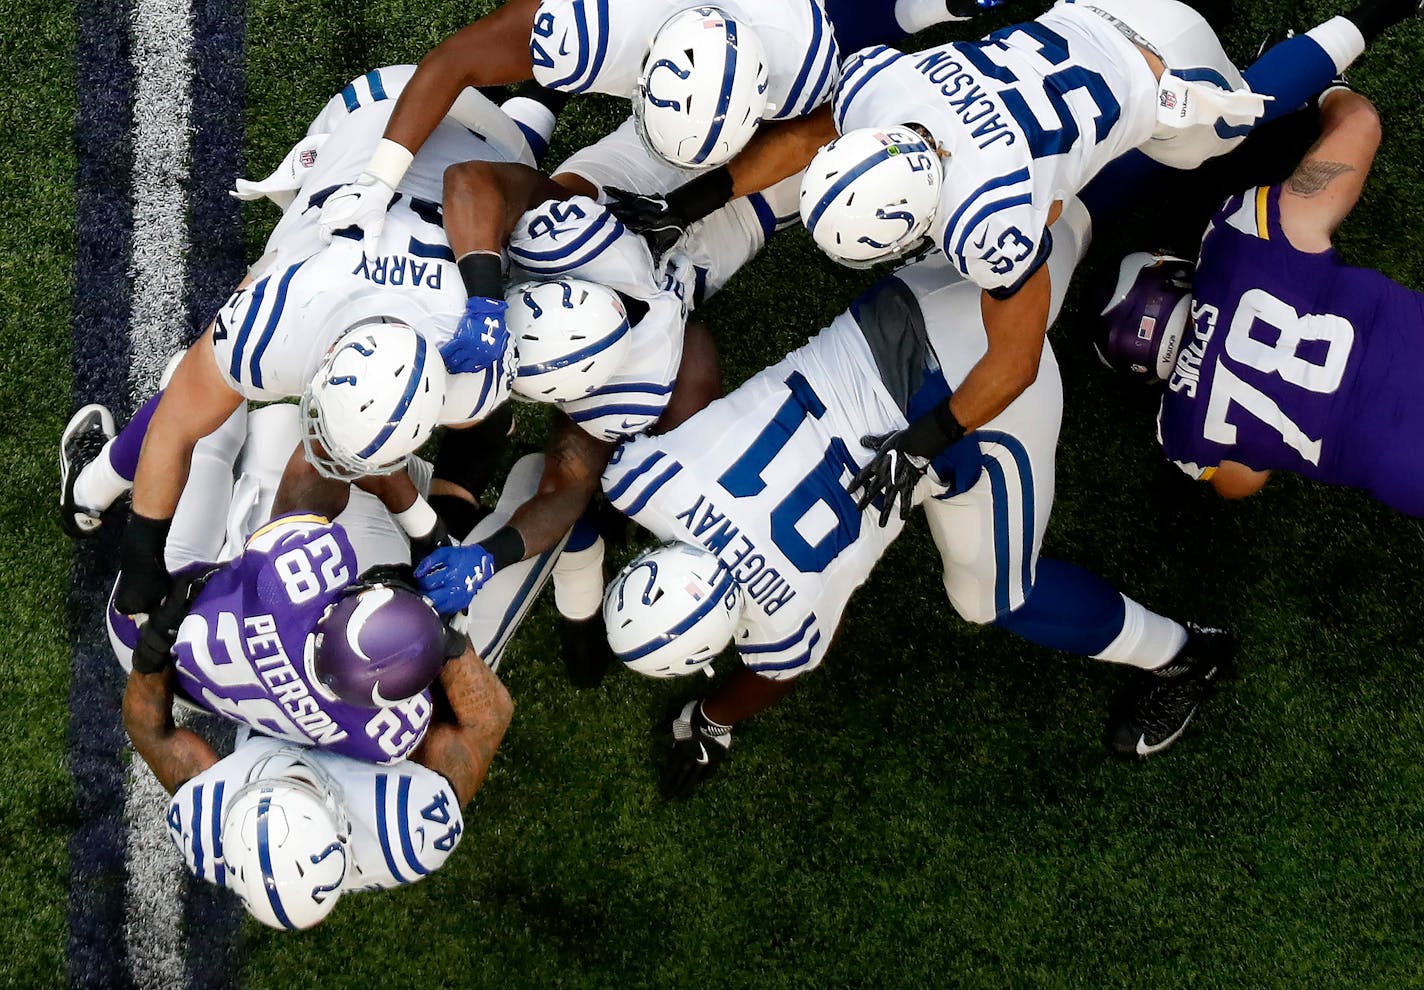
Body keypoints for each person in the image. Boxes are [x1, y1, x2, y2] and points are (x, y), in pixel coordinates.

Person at [604, 1, 1410, 523]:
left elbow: (1016, 361)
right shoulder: (896, 91)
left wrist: (923, 440)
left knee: (1235, 121)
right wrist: (692, 201)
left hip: (1172, 83)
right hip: (1107, 12)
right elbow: (816, 134)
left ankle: (1371, 18)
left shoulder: (987, 217)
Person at [601, 195, 1231, 798]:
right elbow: (695, 354)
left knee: (994, 597)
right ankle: (1161, 134)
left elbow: (781, 665)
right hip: (911, 311)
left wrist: (713, 719)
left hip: (978, 417)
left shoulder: (786, 625)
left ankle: (1187, 655)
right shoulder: (645, 480)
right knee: (1054, 218)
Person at [93, 65, 561, 626]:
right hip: (408, 122)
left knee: (207, 373)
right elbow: (180, 420)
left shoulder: (291, 325)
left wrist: (145, 547)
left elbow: (181, 421)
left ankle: (541, 90)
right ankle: (95, 482)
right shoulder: (294, 325)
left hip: (435, 123)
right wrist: (140, 550)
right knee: (212, 360)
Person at [314, 0, 1013, 250]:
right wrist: (378, 182)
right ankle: (547, 97)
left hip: (814, 30)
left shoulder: (805, 63)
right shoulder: (600, 24)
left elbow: (812, 127)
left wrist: (694, 200)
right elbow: (459, 58)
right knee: (544, 70)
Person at [1104, 87, 1424, 515]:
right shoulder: (1240, 247)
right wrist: (1330, 92)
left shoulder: (1181, 436)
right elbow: (1360, 125)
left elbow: (1243, 482)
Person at [122, 609, 513, 930]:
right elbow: (487, 717)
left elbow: (149, 729)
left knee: (130, 642)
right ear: (341, 824)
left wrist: (154, 642)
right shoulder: (407, 828)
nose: (294, 764)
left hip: (281, 688)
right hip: (401, 688)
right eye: (300, 780)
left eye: (278, 777)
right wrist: (439, 634)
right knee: (485, 575)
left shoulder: (206, 825)